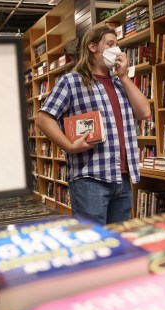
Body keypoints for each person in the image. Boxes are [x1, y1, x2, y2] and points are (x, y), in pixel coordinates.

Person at [36, 25, 151, 225]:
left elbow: (145, 112)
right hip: (90, 178)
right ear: (92, 47)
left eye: (118, 45)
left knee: (118, 242)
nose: (117, 50)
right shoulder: (72, 81)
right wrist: (69, 146)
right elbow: (44, 118)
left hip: (122, 178)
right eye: (110, 44)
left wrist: (124, 77)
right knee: (92, 241)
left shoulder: (120, 83)